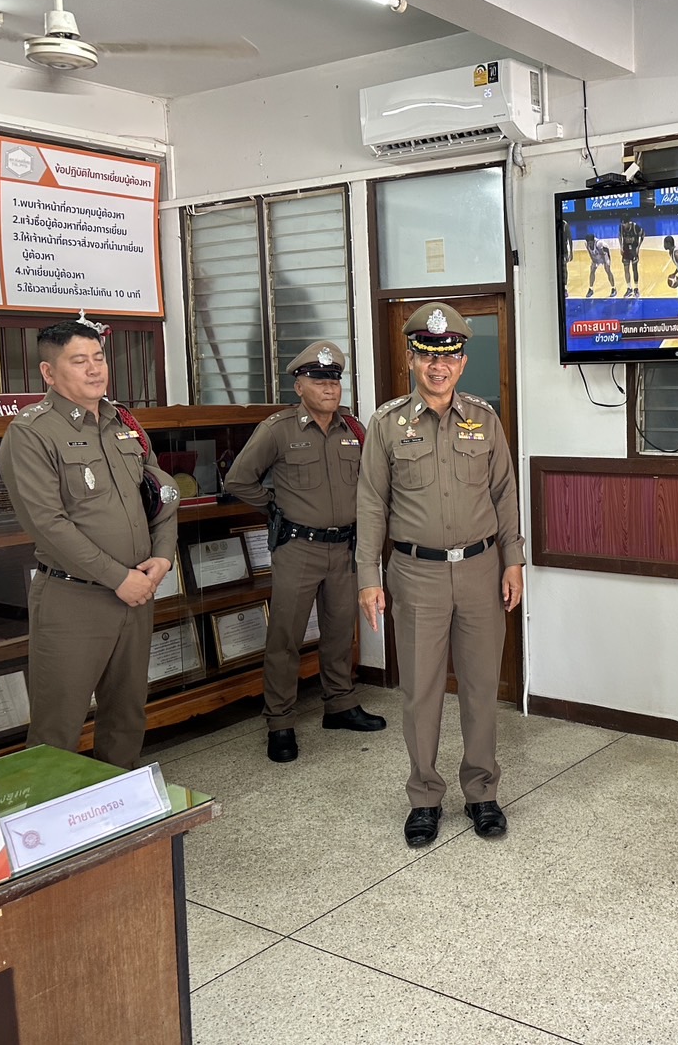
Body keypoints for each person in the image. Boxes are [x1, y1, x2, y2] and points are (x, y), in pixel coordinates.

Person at [357, 303, 526, 848]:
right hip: (415, 574)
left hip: (480, 570)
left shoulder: (485, 418)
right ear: (412, 359)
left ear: (462, 362)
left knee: (480, 689)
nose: (439, 366)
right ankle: (425, 798)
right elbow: (371, 504)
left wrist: (514, 559)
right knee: (421, 692)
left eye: (449, 357)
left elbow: (504, 494)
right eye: (429, 356)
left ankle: (481, 792)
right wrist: (368, 575)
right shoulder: (387, 424)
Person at [0, 318, 179, 770]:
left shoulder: (124, 424)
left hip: (137, 594)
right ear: (48, 372)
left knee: (126, 716)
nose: (95, 369)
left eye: (99, 358)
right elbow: (47, 524)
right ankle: (47, 814)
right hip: (74, 599)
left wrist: (162, 556)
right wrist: (118, 578)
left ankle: (121, 805)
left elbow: (161, 495)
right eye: (79, 361)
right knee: (57, 727)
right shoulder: (32, 432)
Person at [223, 340, 387, 763]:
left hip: (345, 548)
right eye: (318, 380)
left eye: (334, 379)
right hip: (298, 547)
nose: (329, 387)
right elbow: (238, 480)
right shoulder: (279, 429)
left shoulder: (353, 430)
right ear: (299, 386)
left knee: (340, 632)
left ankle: (340, 704)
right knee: (286, 637)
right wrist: (276, 507)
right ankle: (280, 722)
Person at [619, 215, 646, 297]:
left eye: (625, 223)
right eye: (623, 224)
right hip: (626, 250)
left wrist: (638, 247)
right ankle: (629, 288)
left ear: (628, 222)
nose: (624, 225)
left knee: (634, 269)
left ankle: (636, 288)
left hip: (634, 250)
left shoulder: (635, 227)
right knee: (626, 269)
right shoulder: (621, 227)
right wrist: (621, 247)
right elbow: (619, 236)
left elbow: (643, 234)